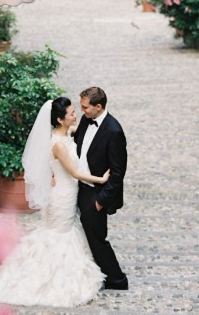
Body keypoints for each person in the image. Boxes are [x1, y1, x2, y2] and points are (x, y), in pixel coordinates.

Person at [0, 96, 108, 307]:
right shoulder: (58, 145)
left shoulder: (64, 134)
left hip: (64, 191)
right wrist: (101, 179)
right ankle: (51, 277)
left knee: (60, 231)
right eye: (72, 113)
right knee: (58, 233)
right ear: (59, 119)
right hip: (62, 196)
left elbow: (73, 139)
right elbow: (75, 172)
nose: (76, 115)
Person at [74, 86, 129, 291]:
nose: (82, 110)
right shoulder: (86, 119)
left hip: (95, 194)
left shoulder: (114, 131)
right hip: (80, 187)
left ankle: (117, 280)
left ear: (98, 107)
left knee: (97, 239)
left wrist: (101, 201)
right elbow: (77, 142)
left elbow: (118, 171)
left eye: (85, 107)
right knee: (84, 235)